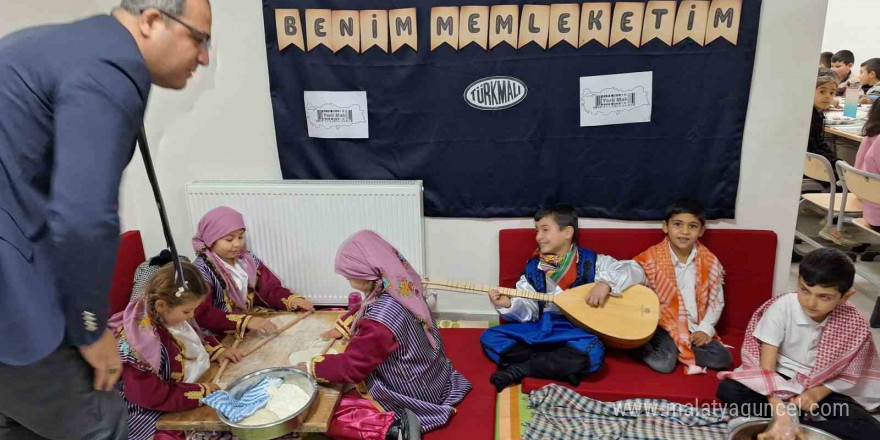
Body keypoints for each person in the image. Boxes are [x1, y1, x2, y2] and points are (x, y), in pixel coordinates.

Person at [0, 0, 211, 438]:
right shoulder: (109, 67)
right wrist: (91, 327)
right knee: (101, 423)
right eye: (199, 38)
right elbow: (83, 217)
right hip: (16, 302)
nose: (204, 57)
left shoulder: (64, 47)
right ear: (152, 20)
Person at [301, 230, 471, 440]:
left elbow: (352, 368)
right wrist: (345, 327)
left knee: (324, 409)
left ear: (365, 275)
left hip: (412, 391)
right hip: (434, 377)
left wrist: (310, 367)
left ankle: (394, 431)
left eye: (349, 276)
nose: (347, 279)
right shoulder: (403, 285)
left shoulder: (380, 321)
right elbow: (368, 305)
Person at [716, 249, 880, 440]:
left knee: (870, 430)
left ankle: (783, 423)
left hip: (821, 384)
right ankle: (792, 421)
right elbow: (766, 369)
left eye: (824, 297)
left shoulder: (854, 322)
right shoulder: (782, 307)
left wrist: (815, 394)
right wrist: (780, 411)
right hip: (776, 379)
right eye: (805, 290)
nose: (811, 302)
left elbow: (847, 374)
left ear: (845, 296)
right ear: (798, 282)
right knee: (729, 391)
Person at [480, 204, 645, 391]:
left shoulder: (592, 262)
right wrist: (509, 304)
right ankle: (560, 367)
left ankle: (522, 369)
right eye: (537, 231)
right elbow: (530, 312)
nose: (538, 237)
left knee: (593, 351)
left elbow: (635, 269)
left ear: (567, 232)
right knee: (491, 336)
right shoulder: (534, 269)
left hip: (576, 331)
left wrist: (605, 284)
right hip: (542, 329)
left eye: (545, 230)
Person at [109, 262, 237, 440]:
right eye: (187, 311)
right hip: (151, 408)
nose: (192, 316)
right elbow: (149, 396)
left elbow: (193, 335)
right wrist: (199, 393)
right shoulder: (140, 346)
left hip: (193, 385)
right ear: (161, 305)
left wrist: (217, 350)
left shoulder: (169, 314)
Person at [632, 199, 732, 374]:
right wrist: (606, 283)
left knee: (723, 358)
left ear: (701, 231)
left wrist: (705, 330)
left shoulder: (710, 261)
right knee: (664, 365)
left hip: (692, 327)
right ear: (665, 227)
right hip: (662, 325)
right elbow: (630, 273)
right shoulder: (651, 258)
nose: (684, 232)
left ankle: (678, 349)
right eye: (678, 224)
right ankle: (637, 346)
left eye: (692, 226)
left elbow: (717, 303)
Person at [191, 206, 314, 337]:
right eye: (229, 239)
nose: (238, 244)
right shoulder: (201, 271)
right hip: (218, 334)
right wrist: (246, 321)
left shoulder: (246, 259)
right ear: (211, 239)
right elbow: (202, 313)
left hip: (247, 323)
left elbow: (268, 289)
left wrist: (292, 300)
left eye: (240, 237)